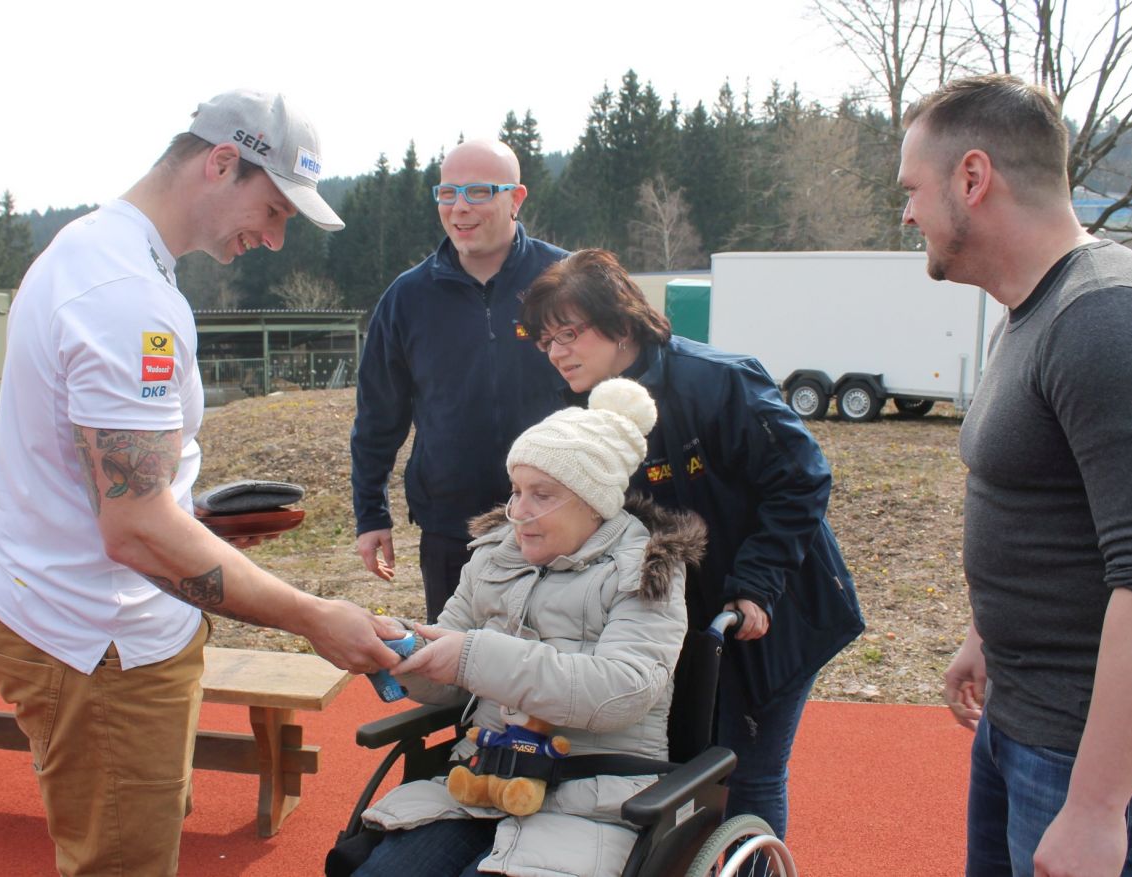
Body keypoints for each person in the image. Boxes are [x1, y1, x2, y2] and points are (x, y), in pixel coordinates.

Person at [0, 90, 404, 877]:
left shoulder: (101, 252)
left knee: (139, 827)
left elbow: (121, 493)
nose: (275, 239)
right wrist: (313, 615)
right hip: (100, 638)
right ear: (220, 162)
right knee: (124, 859)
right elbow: (135, 527)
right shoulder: (125, 301)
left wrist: (195, 521)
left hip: (85, 611)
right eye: (274, 209)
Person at [518, 248, 865, 841]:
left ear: (622, 324)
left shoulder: (719, 381)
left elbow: (803, 479)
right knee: (682, 770)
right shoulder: (580, 411)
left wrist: (757, 584)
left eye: (568, 334)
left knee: (746, 775)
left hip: (769, 609)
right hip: (678, 618)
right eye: (545, 340)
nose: (556, 353)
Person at [900, 74, 1132, 877]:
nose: (907, 214)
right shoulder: (1035, 308)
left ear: (972, 179)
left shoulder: (1104, 318)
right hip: (1021, 720)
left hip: (1088, 760)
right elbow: (1048, 499)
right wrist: (987, 636)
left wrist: (1097, 806)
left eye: (913, 189)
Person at [351, 378, 705, 877]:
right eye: (516, 491)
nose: (519, 512)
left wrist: (473, 657)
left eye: (542, 495)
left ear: (595, 502)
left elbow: (625, 689)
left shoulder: (647, 569)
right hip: (480, 779)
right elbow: (447, 676)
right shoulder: (495, 557)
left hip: (591, 796)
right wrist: (397, 651)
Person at [351, 138, 568, 622]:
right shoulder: (407, 299)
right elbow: (378, 417)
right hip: (453, 528)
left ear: (516, 198)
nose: (459, 208)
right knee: (460, 674)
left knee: (556, 672)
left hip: (562, 520)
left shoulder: (566, 281)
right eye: (447, 193)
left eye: (477, 192)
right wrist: (371, 515)